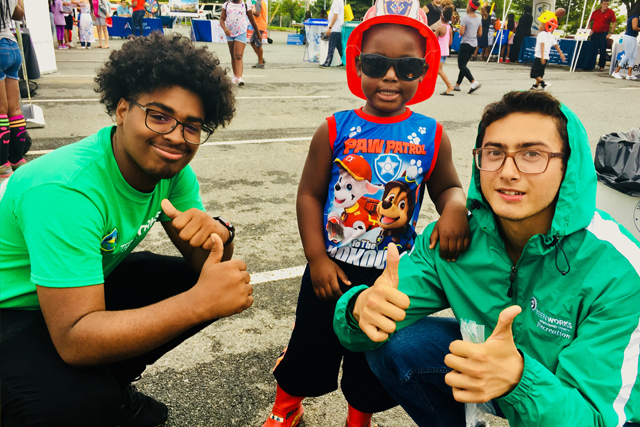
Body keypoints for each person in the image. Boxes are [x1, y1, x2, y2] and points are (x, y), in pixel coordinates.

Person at [333, 89, 640, 427]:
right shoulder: (454, 238)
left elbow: (597, 420)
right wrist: (359, 308)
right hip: (494, 374)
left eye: (532, 154)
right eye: (494, 152)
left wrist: (518, 379)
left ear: (569, 165)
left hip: (577, 406)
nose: (508, 171)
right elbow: (367, 323)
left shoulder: (617, 270)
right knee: (392, 341)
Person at [0, 33, 252, 427]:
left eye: (192, 126)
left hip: (69, 295)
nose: (175, 136)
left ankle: (113, 385)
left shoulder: (173, 170)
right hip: (11, 312)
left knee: (191, 280)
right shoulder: (65, 190)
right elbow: (73, 340)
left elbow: (209, 268)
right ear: (121, 109)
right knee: (74, 405)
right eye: (159, 115)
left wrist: (219, 235)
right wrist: (199, 303)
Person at [261, 1, 470, 426]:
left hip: (389, 275)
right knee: (310, 345)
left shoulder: (432, 135)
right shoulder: (335, 128)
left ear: (424, 69)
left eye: (406, 67)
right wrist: (317, 259)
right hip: (332, 268)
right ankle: (286, 408)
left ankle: (359, 419)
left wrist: (455, 206)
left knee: (371, 353)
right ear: (358, 65)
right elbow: (309, 195)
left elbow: (447, 186)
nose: (390, 76)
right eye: (377, 63)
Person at [0, 0, 29, 181]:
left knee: (1, 112)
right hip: (11, 45)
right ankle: (17, 158)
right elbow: (19, 14)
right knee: (15, 110)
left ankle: (3, 165)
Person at [220, 0, 260, 85]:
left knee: (238, 55)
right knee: (232, 55)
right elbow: (222, 19)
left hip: (241, 32)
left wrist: (258, 33)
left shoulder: (246, 5)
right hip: (229, 33)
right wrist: (225, 29)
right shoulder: (226, 5)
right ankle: (235, 76)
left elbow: (252, 20)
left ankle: (239, 77)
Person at [530, 13, 565, 90]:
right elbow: (555, 45)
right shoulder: (550, 35)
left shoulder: (541, 34)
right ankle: (536, 86)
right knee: (540, 73)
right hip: (546, 57)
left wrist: (542, 57)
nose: (539, 26)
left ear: (545, 26)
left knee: (534, 73)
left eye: (541, 24)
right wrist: (561, 53)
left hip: (540, 56)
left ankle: (544, 84)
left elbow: (542, 45)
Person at [454, 0, 482, 93]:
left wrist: (458, 30)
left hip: (465, 43)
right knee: (464, 65)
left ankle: (473, 81)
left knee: (461, 65)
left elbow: (461, 32)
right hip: (474, 44)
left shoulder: (465, 18)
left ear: (469, 7)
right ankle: (457, 85)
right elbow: (480, 33)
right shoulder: (478, 19)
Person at [611, 2, 639, 80]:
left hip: (633, 37)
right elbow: (634, 27)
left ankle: (629, 73)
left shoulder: (634, 16)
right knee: (627, 55)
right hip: (629, 37)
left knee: (634, 55)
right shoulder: (635, 17)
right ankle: (616, 71)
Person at [587, 0, 616, 71]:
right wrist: (589, 29)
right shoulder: (595, 12)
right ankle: (590, 64)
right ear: (601, 4)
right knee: (592, 49)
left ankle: (601, 65)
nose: (606, 5)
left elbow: (614, 22)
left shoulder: (610, 12)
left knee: (603, 49)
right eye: (605, 4)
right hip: (594, 33)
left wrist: (611, 33)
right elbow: (588, 20)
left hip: (603, 33)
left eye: (607, 4)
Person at [435, 5, 455, 95]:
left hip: (439, 51)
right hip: (445, 51)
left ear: (441, 17)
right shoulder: (449, 28)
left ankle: (449, 86)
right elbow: (450, 42)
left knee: (439, 70)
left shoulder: (439, 28)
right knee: (436, 69)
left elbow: (433, 40)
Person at [319, 0, 344, 68]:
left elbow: (335, 16)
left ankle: (327, 62)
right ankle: (345, 61)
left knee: (331, 46)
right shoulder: (340, 1)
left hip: (335, 28)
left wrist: (330, 27)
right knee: (339, 47)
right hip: (338, 27)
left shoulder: (337, 2)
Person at [250, 0, 267, 69]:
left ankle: (261, 63)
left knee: (258, 44)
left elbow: (257, 13)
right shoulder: (262, 2)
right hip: (260, 25)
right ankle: (261, 58)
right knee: (252, 41)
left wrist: (250, 11)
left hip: (259, 25)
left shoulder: (258, 2)